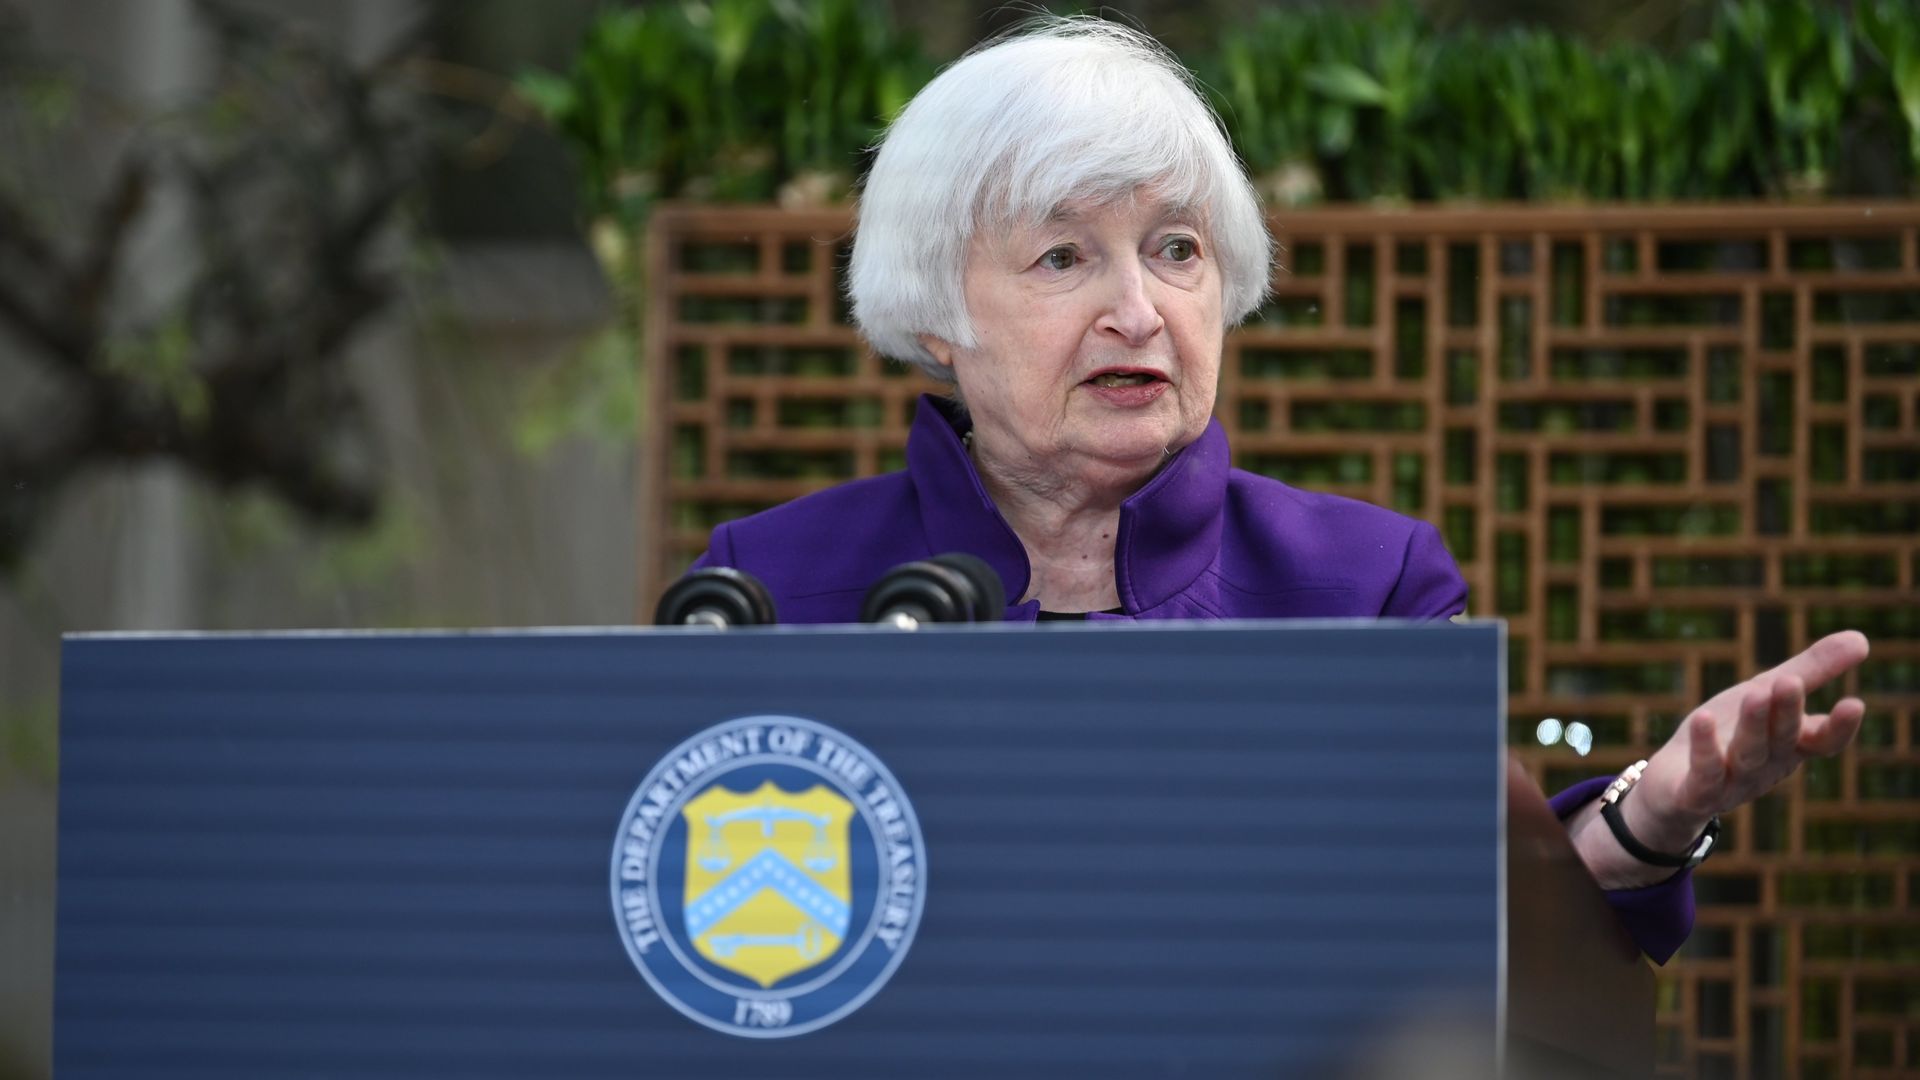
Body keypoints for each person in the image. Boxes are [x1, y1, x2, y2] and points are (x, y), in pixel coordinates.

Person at [687, 19, 1869, 963]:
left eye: (1177, 249)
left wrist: (1648, 823)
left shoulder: (1365, 583)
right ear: (937, 316)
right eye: (1063, 256)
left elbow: (1472, 912)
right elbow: (695, 924)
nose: (1138, 311)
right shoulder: (765, 588)